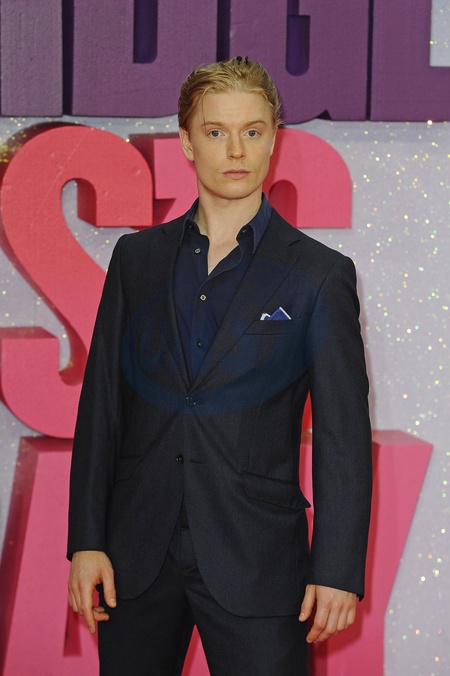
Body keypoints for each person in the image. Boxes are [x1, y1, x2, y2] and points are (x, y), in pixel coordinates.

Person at [67, 56, 372, 675]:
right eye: (215, 132)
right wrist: (86, 540)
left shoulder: (320, 275)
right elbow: (102, 406)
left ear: (273, 140)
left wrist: (338, 569)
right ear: (186, 141)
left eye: (252, 131)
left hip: (258, 559)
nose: (236, 150)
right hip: (135, 555)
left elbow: (342, 435)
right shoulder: (136, 260)